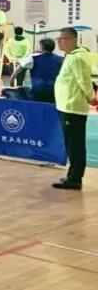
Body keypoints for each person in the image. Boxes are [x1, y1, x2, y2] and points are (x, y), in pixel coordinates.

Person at [52, 28, 92, 190]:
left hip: (73, 108)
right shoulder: (70, 56)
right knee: (70, 143)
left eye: (62, 39)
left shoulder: (78, 58)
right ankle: (72, 175)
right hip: (66, 106)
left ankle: (75, 179)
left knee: (75, 145)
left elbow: (84, 81)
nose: (59, 42)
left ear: (73, 40)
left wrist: (91, 97)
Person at [7, 38, 60, 103]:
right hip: (54, 93)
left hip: (37, 92)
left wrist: (11, 81)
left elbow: (18, 69)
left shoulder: (33, 57)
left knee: (14, 92)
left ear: (41, 47)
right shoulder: (60, 59)